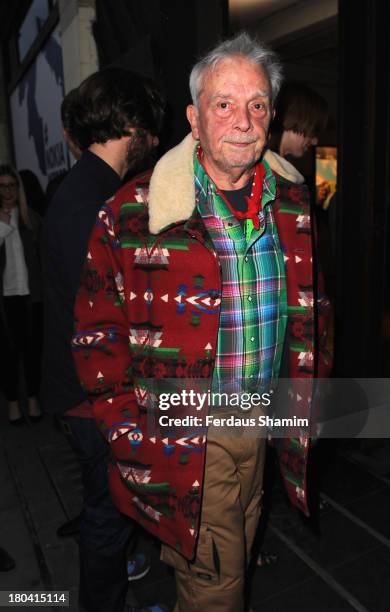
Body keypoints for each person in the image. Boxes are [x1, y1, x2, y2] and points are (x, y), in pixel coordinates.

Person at [72, 33, 327, 611]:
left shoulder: (291, 201)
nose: (244, 120)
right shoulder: (132, 214)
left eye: (257, 104)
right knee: (217, 585)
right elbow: (96, 335)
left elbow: (310, 310)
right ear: (193, 117)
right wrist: (129, 430)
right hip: (189, 433)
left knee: (236, 545)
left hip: (260, 419)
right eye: (224, 104)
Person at [41, 68, 166, 612]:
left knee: (112, 512)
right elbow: (106, 309)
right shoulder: (95, 199)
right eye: (149, 128)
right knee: (107, 517)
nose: (154, 141)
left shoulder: (89, 188)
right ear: (129, 122)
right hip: (94, 394)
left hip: (88, 389)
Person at [0, 164, 43, 424]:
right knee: (7, 353)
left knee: (32, 351)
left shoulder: (31, 218)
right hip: (4, 300)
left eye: (11, 185)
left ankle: (33, 398)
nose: (7, 191)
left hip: (31, 297)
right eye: (2, 186)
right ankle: (13, 403)